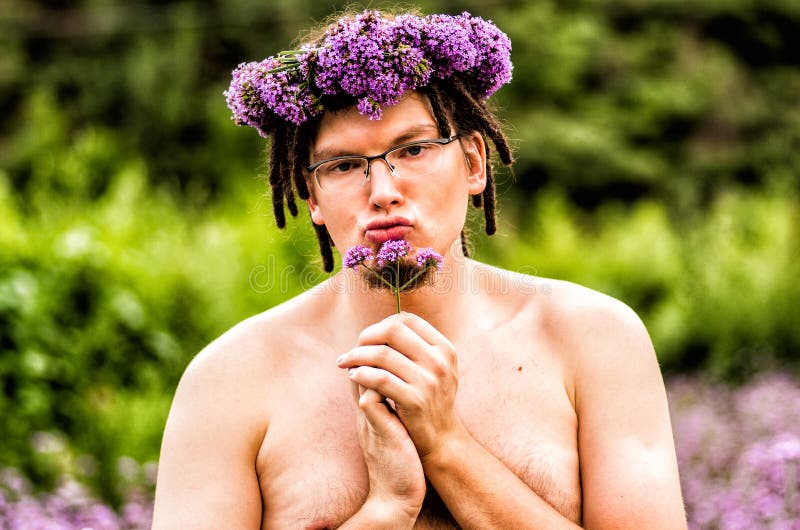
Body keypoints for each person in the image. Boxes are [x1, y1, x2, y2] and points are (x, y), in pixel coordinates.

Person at [152, 9, 687, 529]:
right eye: (343, 166)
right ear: (311, 195)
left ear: (474, 163)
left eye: (413, 150)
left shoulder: (595, 339)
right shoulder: (228, 381)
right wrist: (385, 511)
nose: (383, 193)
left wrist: (447, 446)